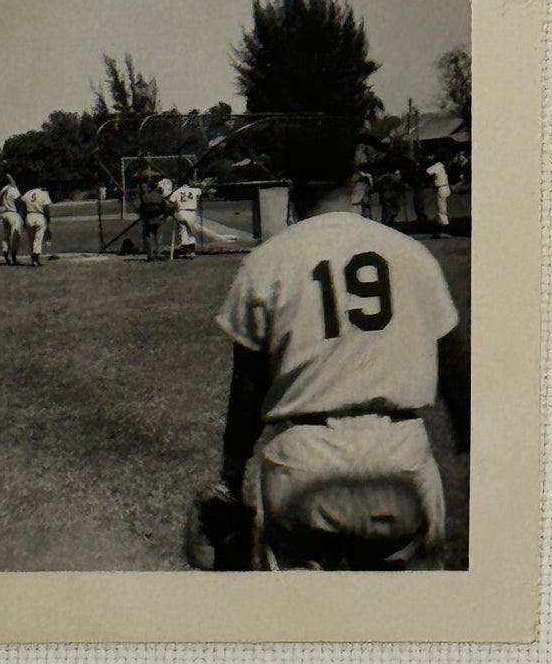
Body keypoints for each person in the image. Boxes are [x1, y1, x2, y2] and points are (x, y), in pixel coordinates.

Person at [198, 138, 469, 571]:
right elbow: (457, 370)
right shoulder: (412, 255)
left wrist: (230, 479)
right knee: (410, 622)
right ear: (357, 185)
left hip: (305, 461)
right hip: (398, 455)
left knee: (305, 623)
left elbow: (247, 387)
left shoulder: (268, 262)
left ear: (293, 189)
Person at [166, 177, 202, 259]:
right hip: (192, 212)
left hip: (182, 211)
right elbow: (201, 192)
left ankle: (186, 250)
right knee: (191, 232)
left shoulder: (177, 191)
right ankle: (191, 251)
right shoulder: (194, 190)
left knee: (183, 231)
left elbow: (170, 201)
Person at [19, 185, 52, 266]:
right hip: (39, 215)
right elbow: (46, 208)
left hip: (29, 215)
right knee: (38, 238)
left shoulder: (27, 194)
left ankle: (33, 258)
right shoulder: (43, 193)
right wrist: (48, 220)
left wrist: (23, 221)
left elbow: (23, 209)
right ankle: (36, 258)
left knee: (31, 239)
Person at [137, 174, 168, 261]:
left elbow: (142, 207)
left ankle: (150, 253)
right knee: (159, 236)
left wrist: (142, 216)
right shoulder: (159, 196)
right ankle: (158, 252)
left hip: (148, 218)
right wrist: (165, 215)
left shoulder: (145, 196)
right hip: (159, 218)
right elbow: (164, 207)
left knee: (148, 236)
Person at [0, 175, 24, 265]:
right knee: (16, 235)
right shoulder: (13, 190)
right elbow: (19, 202)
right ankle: (14, 258)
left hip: (5, 213)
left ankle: (6, 256)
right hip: (13, 214)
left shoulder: (3, 190)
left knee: (6, 236)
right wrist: (21, 216)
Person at [425, 156, 452, 238]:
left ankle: (444, 230)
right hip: (445, 187)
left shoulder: (438, 165)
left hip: (441, 188)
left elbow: (428, 172)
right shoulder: (443, 166)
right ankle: (443, 230)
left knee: (441, 210)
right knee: (443, 209)